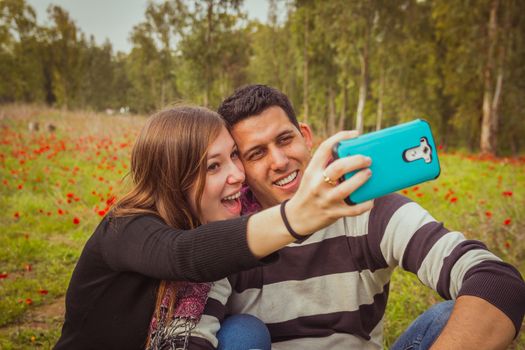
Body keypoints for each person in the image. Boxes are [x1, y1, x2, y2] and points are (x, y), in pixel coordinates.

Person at [206, 85, 525, 350]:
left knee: (452, 314)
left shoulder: (368, 208)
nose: (278, 161)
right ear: (239, 166)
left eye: (285, 139)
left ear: (305, 136)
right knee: (239, 334)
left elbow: (495, 278)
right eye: (256, 153)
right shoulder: (232, 236)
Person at [54, 106, 374, 350]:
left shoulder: (214, 232)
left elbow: (200, 330)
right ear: (174, 179)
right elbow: (183, 254)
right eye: (214, 166)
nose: (237, 174)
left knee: (244, 332)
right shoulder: (125, 228)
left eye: (234, 155)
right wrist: (295, 218)